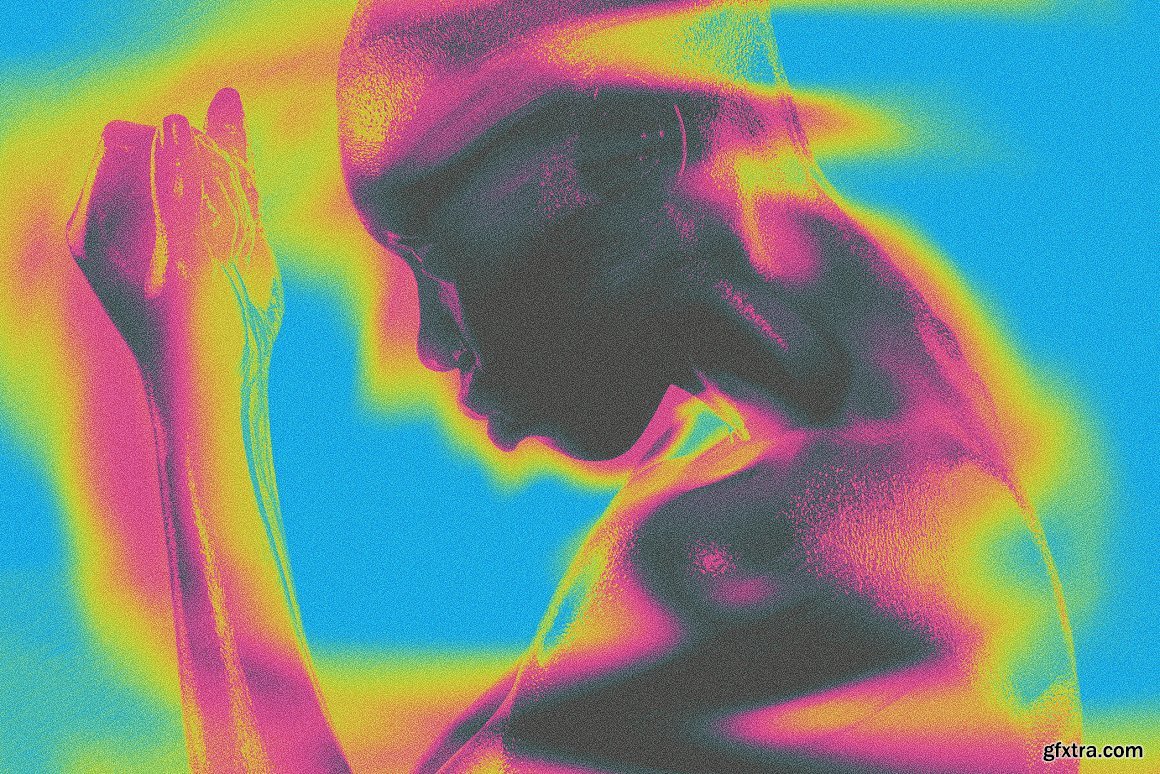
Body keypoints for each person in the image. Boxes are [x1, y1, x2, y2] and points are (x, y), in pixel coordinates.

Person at [69, 0, 1080, 771]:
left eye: (436, 249)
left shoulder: (790, 542)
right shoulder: (844, 478)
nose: (432, 340)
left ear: (635, 150)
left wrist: (196, 373)